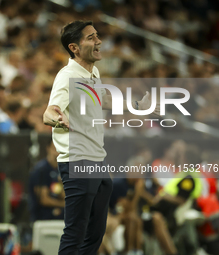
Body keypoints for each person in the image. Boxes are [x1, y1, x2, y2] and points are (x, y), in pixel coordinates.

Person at [43, 20, 158, 255]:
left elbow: (104, 100)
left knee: (95, 234)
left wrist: (137, 107)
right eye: (91, 38)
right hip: (77, 161)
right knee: (75, 232)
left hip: (97, 161)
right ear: (74, 47)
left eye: (97, 36)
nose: (99, 41)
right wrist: (58, 118)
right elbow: (49, 111)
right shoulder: (67, 76)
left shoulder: (92, 72)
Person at [28, 140, 64, 222]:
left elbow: (61, 193)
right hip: (43, 219)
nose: (57, 153)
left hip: (59, 219)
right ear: (48, 149)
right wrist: (64, 204)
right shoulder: (41, 170)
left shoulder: (60, 170)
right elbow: (44, 200)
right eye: (55, 149)